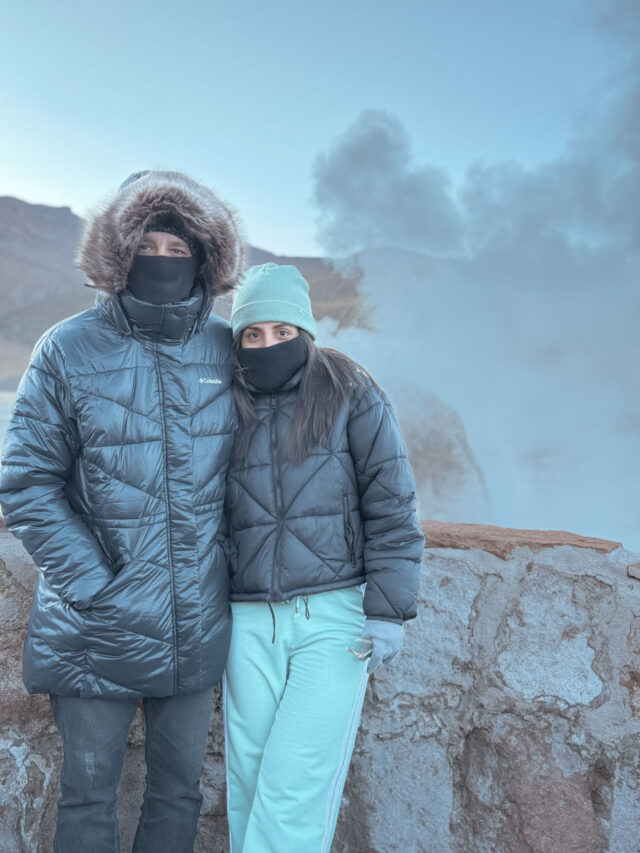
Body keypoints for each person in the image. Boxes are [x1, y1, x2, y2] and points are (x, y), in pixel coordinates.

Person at [0, 170, 245, 853]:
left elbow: (261, 475)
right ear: (118, 251)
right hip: (92, 629)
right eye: (149, 246)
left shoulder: (227, 351)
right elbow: (26, 481)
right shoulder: (68, 348)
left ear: (207, 256)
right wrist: (94, 587)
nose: (163, 261)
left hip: (196, 625)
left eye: (179, 249)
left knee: (178, 795)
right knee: (86, 797)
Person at [223, 262, 425, 853]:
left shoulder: (350, 392)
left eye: (282, 331)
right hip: (245, 621)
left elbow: (392, 506)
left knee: (295, 787)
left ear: (305, 331)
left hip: (333, 622)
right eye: (253, 334)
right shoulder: (222, 404)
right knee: (249, 780)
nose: (268, 344)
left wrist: (388, 611)